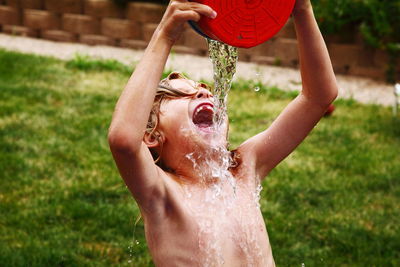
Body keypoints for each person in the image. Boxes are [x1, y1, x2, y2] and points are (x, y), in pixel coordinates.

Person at [108, 0, 338, 265]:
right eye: (183, 93)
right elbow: (123, 139)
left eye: (203, 89)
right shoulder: (162, 195)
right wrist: (165, 34)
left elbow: (319, 97)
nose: (204, 92)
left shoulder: (245, 168)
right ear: (151, 136)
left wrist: (301, 10)